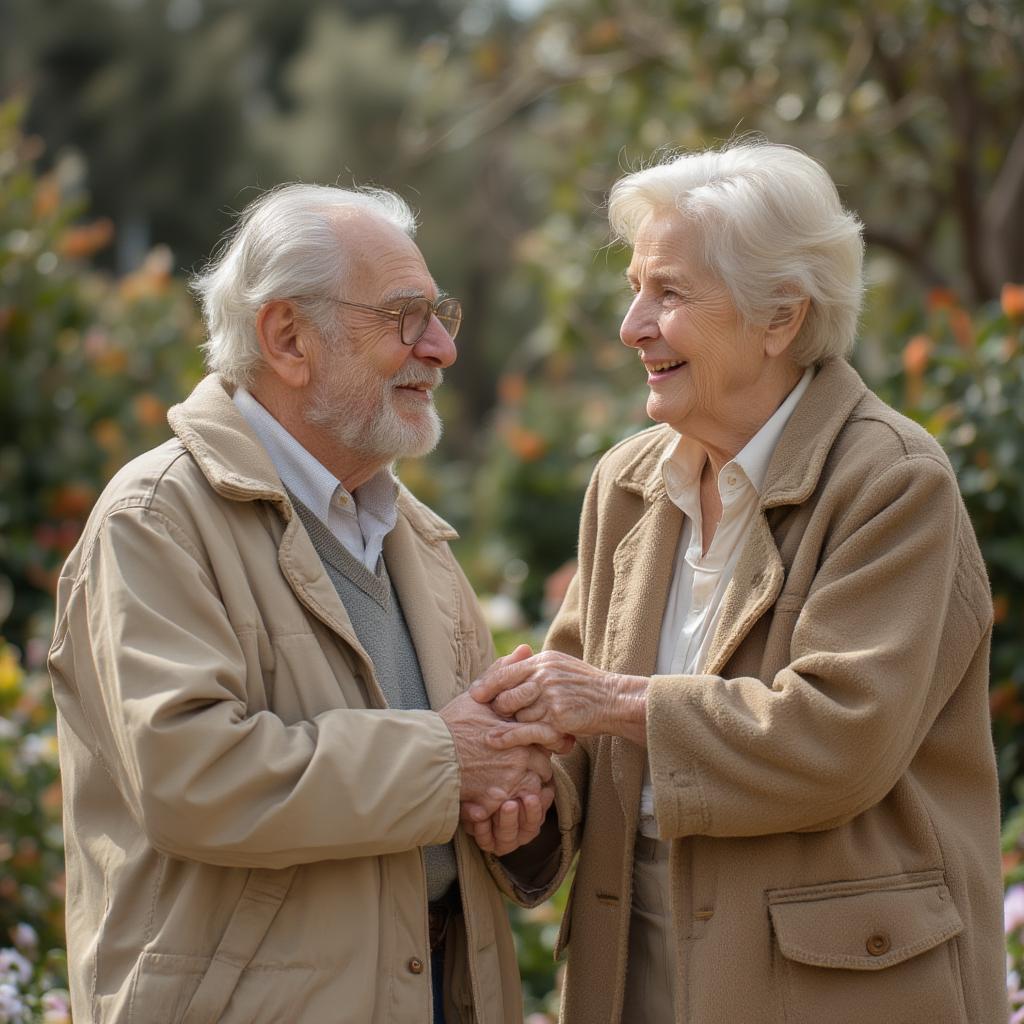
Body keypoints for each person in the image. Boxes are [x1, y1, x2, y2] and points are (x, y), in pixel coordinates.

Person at [467, 142, 1006, 1022]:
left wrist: (614, 701)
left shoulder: (894, 480)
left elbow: (839, 737)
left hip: (831, 990)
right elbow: (579, 736)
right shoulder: (627, 482)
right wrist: (529, 801)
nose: (632, 324)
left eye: (669, 293)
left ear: (780, 317)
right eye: (635, 288)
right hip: (631, 970)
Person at [47, 184, 568, 1024]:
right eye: (404, 316)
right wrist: (449, 759)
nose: (439, 348)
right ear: (287, 338)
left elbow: (482, 771)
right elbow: (191, 776)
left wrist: (521, 804)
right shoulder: (156, 520)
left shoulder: (414, 538)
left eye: (441, 314)